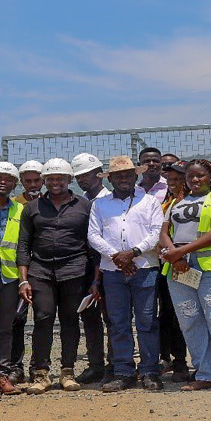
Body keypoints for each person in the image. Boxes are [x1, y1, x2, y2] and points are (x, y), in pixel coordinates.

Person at [159, 159, 211, 392]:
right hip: (179, 269)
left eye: (200, 176)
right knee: (190, 320)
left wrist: (180, 252)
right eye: (191, 176)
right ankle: (205, 373)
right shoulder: (176, 202)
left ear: (210, 176)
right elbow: (164, 233)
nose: (195, 180)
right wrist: (176, 257)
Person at [18, 158, 96, 394]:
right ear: (44, 181)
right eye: (50, 179)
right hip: (40, 271)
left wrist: (95, 280)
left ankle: (68, 371)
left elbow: (92, 246)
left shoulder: (84, 206)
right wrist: (24, 279)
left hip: (75, 270)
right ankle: (41, 374)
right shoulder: (32, 208)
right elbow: (24, 245)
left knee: (71, 320)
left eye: (60, 178)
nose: (55, 183)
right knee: (43, 318)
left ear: (69, 180)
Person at [87, 156, 165, 392]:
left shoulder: (149, 202)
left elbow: (156, 232)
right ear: (110, 179)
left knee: (147, 321)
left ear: (135, 176)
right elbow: (94, 236)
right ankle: (123, 371)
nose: (123, 179)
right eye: (118, 175)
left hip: (145, 269)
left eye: (128, 175)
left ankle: (150, 370)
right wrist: (117, 257)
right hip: (112, 271)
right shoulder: (100, 205)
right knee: (118, 322)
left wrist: (133, 252)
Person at [70, 153, 111, 384]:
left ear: (99, 174)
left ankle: (116, 364)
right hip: (86, 267)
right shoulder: (80, 201)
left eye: (86, 174)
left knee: (113, 317)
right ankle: (96, 365)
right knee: (90, 317)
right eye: (78, 176)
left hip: (109, 265)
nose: (82, 179)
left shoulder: (109, 199)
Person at [0, 162, 24, 395]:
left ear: (14, 184)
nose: (3, 182)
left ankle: (2, 375)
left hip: (10, 276)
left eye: (8, 179)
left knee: (6, 327)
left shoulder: (19, 210)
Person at [7, 159, 45, 382]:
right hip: (18, 271)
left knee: (42, 318)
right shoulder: (14, 204)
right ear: (21, 181)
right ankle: (15, 365)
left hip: (42, 269)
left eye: (36, 180)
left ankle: (39, 366)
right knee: (17, 319)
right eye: (28, 180)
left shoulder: (50, 202)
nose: (33, 184)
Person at [158, 160, 191, 382]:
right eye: (170, 180)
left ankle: (184, 360)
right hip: (169, 265)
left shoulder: (194, 202)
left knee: (187, 314)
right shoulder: (165, 202)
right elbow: (162, 232)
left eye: (178, 179)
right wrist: (172, 254)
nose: (173, 183)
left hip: (191, 264)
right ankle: (172, 358)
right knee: (168, 313)